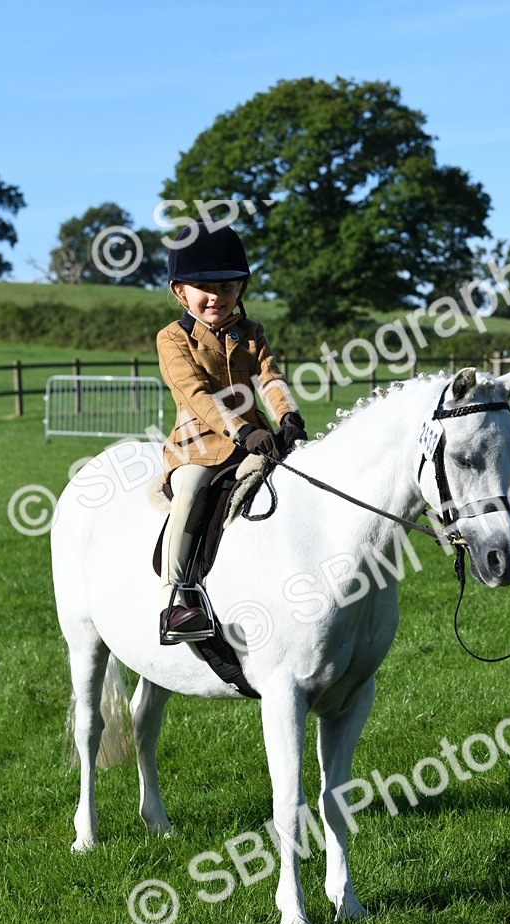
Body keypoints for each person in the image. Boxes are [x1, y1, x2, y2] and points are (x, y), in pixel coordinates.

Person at [156, 220, 306, 643]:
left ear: (240, 289)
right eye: (205, 288)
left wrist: (288, 418)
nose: (216, 297)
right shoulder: (172, 339)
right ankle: (177, 600)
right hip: (198, 448)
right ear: (179, 291)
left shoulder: (251, 332)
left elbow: (270, 378)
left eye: (226, 287)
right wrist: (241, 431)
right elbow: (196, 394)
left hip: (259, 439)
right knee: (189, 494)